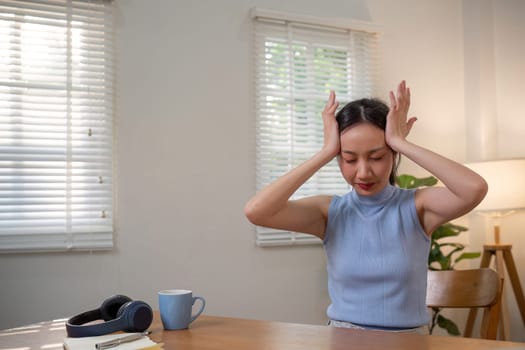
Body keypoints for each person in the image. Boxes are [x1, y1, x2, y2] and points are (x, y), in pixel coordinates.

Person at [244, 80, 488, 333]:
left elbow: (474, 188)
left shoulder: (418, 206)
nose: (363, 172)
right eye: (349, 159)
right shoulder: (329, 212)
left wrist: (401, 142)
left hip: (408, 342)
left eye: (377, 157)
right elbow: (257, 211)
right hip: (343, 339)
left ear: (392, 154)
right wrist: (326, 151)